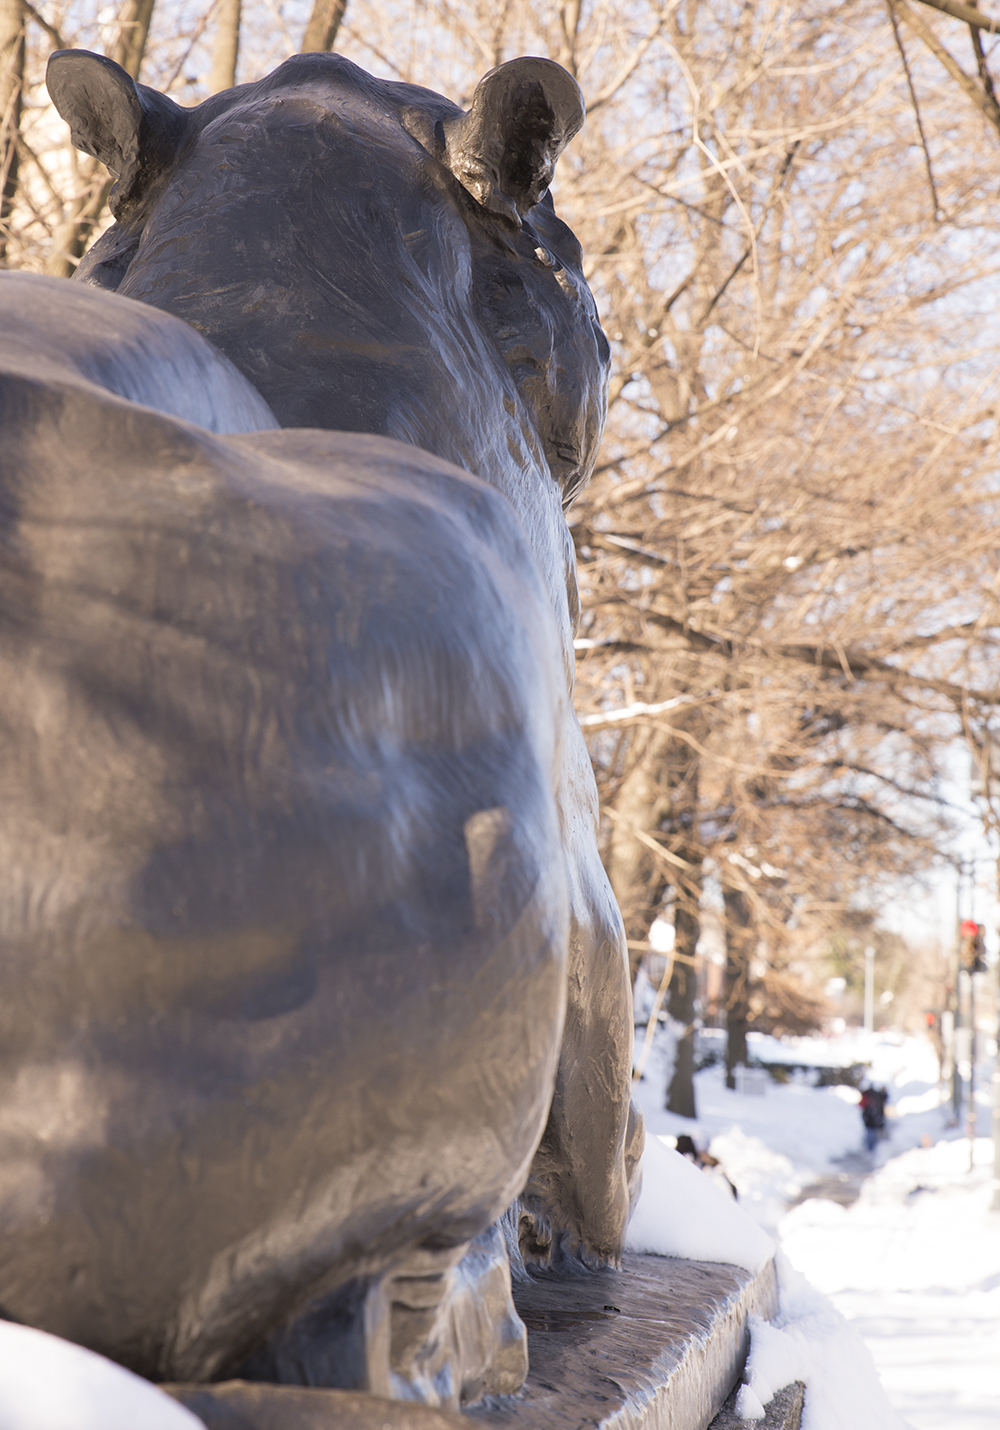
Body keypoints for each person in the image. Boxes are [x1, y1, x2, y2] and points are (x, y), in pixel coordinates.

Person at [859, 1083, 887, 1153]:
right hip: (870, 1123)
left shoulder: (875, 1104)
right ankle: (870, 1150)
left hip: (873, 1123)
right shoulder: (869, 1107)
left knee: (873, 1136)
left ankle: (872, 1151)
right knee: (870, 1136)